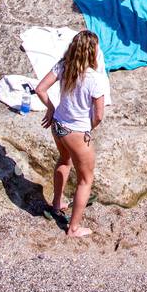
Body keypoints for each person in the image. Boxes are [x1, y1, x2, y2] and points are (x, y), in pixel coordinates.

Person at [34, 30, 108, 238]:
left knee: (64, 161)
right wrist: (89, 128)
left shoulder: (63, 66)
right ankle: (73, 228)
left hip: (58, 126)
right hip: (76, 131)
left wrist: (51, 108)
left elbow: (40, 89)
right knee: (85, 180)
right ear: (92, 53)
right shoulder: (95, 79)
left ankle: (57, 203)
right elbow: (99, 115)